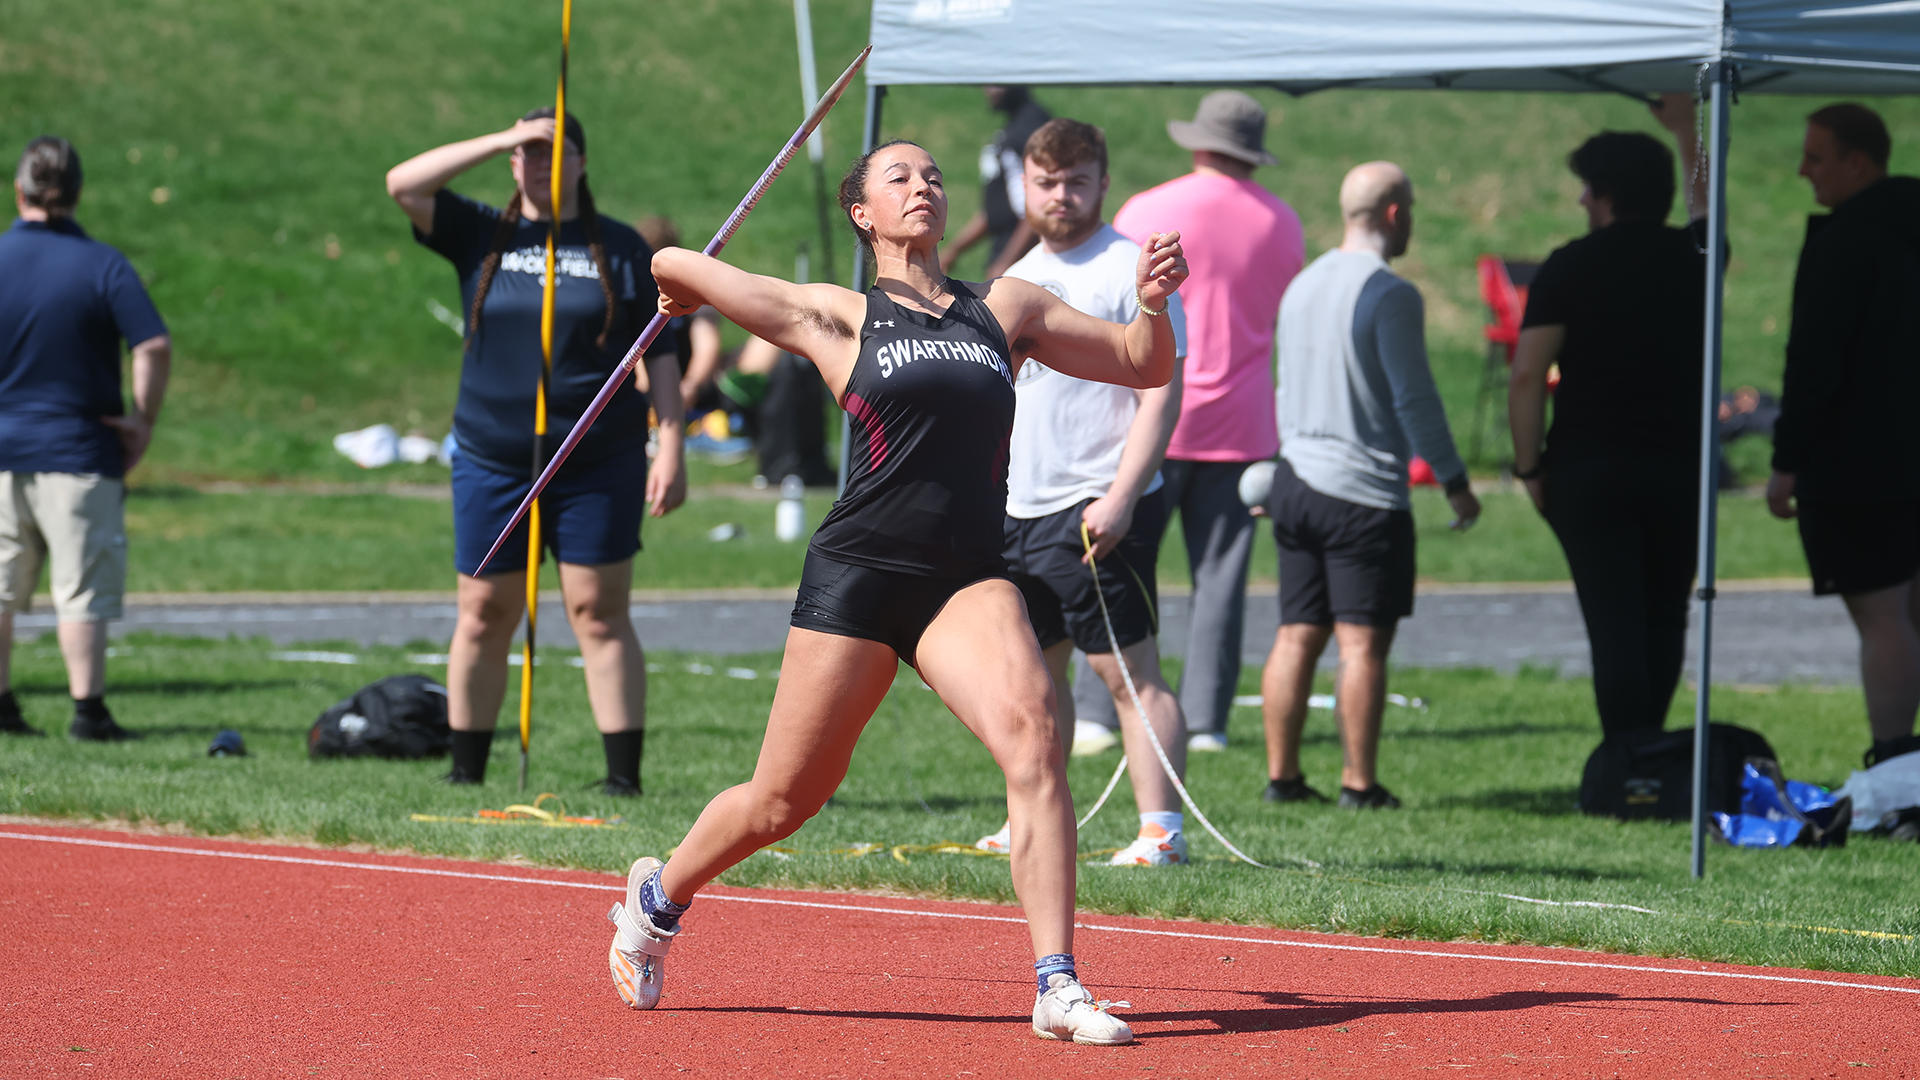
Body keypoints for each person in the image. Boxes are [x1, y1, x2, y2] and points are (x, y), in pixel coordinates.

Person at [606, 140, 1187, 1044]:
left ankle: (1057, 984)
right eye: (900, 178)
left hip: (966, 577)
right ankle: (655, 900)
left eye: (935, 177)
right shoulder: (837, 315)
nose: (925, 187)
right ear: (862, 214)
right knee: (782, 801)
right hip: (861, 575)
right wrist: (679, 286)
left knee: (1035, 741)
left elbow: (1140, 363)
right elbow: (674, 261)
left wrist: (1151, 305)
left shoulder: (1008, 307)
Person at [385, 108, 686, 795]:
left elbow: (660, 352)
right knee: (484, 612)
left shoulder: (620, 248)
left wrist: (670, 442)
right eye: (524, 154)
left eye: (552, 151)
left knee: (598, 611)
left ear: (582, 162)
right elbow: (403, 184)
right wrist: (503, 138)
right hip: (492, 458)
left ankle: (622, 780)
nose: (537, 164)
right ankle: (465, 772)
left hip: (598, 461)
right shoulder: (479, 232)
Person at [970, 118, 1192, 866]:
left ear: (1103, 183)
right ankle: (1032, 821)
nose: (1060, 195)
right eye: (1046, 182)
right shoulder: (1014, 278)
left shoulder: (1134, 269)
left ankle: (1161, 831)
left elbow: (1161, 392)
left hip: (1099, 501)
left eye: (1076, 181)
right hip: (1019, 508)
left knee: (1127, 672)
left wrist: (1122, 496)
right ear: (1024, 187)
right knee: (1031, 679)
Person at [1261, 162, 1479, 809]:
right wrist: (1454, 480)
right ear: (1394, 213)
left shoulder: (1302, 283)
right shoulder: (1391, 293)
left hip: (1295, 479)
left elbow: (1282, 384)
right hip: (1361, 491)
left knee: (1296, 632)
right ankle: (1359, 783)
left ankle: (1282, 779)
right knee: (1361, 644)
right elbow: (1415, 398)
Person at [1508, 98, 1711, 744]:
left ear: (1607, 195)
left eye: (1587, 188)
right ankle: (1650, 745)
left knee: (1613, 619)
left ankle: (1628, 755)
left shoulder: (1569, 266)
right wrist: (1687, 132)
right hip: (1679, 465)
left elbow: (1526, 375)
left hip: (1589, 467)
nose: (1581, 200)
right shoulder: (1695, 256)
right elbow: (1708, 206)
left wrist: (1529, 466)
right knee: (1665, 613)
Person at [1107, 90, 1304, 752]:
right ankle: (1207, 721)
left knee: (1119, 567)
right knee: (1220, 581)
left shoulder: (1145, 210)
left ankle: (1101, 711)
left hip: (1154, 412)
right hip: (1243, 424)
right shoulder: (1283, 222)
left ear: (1198, 142)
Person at [0, 136, 171, 741]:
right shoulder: (102, 264)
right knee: (80, 590)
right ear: (76, 193)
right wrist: (142, 418)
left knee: (0, 587)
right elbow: (152, 345)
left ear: (18, 191)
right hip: (78, 451)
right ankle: (88, 712)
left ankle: (2, 706)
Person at [1767, 103, 1920, 768]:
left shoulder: (1847, 241)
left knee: (1883, 617)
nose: (1803, 171)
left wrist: (1787, 461)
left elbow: (1814, 363)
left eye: (1816, 157)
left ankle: (1894, 763)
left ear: (1858, 163)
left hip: (1864, 466)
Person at [939, 85, 1051, 280]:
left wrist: (1005, 263)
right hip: (1006, 251)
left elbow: (1037, 205)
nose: (988, 90)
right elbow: (997, 208)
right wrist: (954, 250)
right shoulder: (1015, 126)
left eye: (997, 84)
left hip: (1026, 258)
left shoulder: (1032, 129)